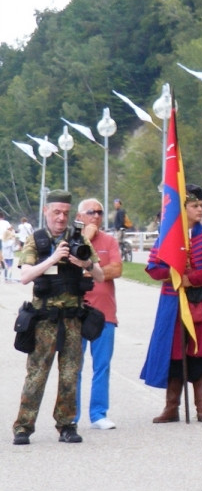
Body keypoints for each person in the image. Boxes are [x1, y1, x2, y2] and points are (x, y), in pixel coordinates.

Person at [13, 190, 104, 445]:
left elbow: (99, 275)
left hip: (72, 319)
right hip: (44, 320)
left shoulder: (79, 240)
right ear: (46, 212)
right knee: (36, 375)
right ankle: (23, 426)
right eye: (56, 212)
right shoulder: (37, 240)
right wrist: (53, 258)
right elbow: (25, 276)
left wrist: (84, 263)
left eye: (65, 213)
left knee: (70, 375)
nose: (61, 218)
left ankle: (66, 425)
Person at [141, 184, 202, 423]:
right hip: (173, 303)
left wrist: (190, 279)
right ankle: (171, 407)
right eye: (194, 206)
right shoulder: (167, 238)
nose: (200, 209)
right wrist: (174, 273)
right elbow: (153, 268)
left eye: (199, 205)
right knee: (174, 353)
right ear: (181, 210)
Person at [74, 198, 122, 430]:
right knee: (73, 365)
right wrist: (86, 238)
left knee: (102, 365)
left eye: (100, 213)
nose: (96, 216)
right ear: (80, 216)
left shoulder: (109, 241)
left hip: (105, 313)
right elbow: (65, 269)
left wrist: (89, 271)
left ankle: (98, 413)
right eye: (90, 212)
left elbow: (117, 269)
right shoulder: (72, 240)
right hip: (77, 311)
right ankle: (70, 415)